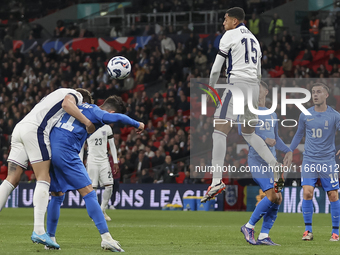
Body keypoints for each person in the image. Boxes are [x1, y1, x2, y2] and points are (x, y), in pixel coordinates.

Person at [201, 7, 284, 203]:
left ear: (234, 21)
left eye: (225, 19)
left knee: (219, 131)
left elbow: (215, 69)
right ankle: (274, 165)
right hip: (253, 87)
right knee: (248, 133)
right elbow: (259, 72)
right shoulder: (254, 39)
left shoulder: (229, 35)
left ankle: (216, 181)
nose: (223, 23)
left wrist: (211, 89)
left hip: (236, 85)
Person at [46, 94, 144, 252]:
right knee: (89, 194)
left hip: (51, 149)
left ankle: (50, 238)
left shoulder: (81, 106)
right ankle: (106, 238)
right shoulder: (96, 111)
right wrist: (138, 124)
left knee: (57, 196)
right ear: (110, 112)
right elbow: (117, 118)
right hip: (66, 150)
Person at [0, 88, 95, 249]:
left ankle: (39, 230)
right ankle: (38, 230)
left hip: (19, 129)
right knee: (44, 177)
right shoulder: (76, 96)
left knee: (11, 179)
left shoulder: (54, 95)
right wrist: (87, 122)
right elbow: (67, 104)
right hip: (35, 131)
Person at [240, 81, 292, 246]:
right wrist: (263, 139)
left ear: (265, 91)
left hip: (273, 164)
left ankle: (264, 236)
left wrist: (289, 150)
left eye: (258, 88)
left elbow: (275, 140)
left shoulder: (272, 114)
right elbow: (243, 132)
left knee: (277, 198)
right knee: (271, 195)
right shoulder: (248, 111)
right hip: (257, 160)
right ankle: (248, 227)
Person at [290, 83, 340, 242]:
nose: (315, 95)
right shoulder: (305, 114)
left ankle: (335, 232)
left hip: (328, 160)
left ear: (326, 95)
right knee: (307, 193)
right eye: (313, 92)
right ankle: (308, 231)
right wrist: (289, 151)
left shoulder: (334, 115)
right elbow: (298, 135)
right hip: (309, 159)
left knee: (333, 195)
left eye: (319, 92)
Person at [86, 124, 118, 221]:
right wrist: (79, 161)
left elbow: (112, 145)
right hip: (92, 161)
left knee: (109, 186)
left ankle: (102, 210)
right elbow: (80, 145)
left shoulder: (107, 127)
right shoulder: (87, 126)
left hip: (104, 161)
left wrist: (115, 161)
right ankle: (97, 213)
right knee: (93, 187)